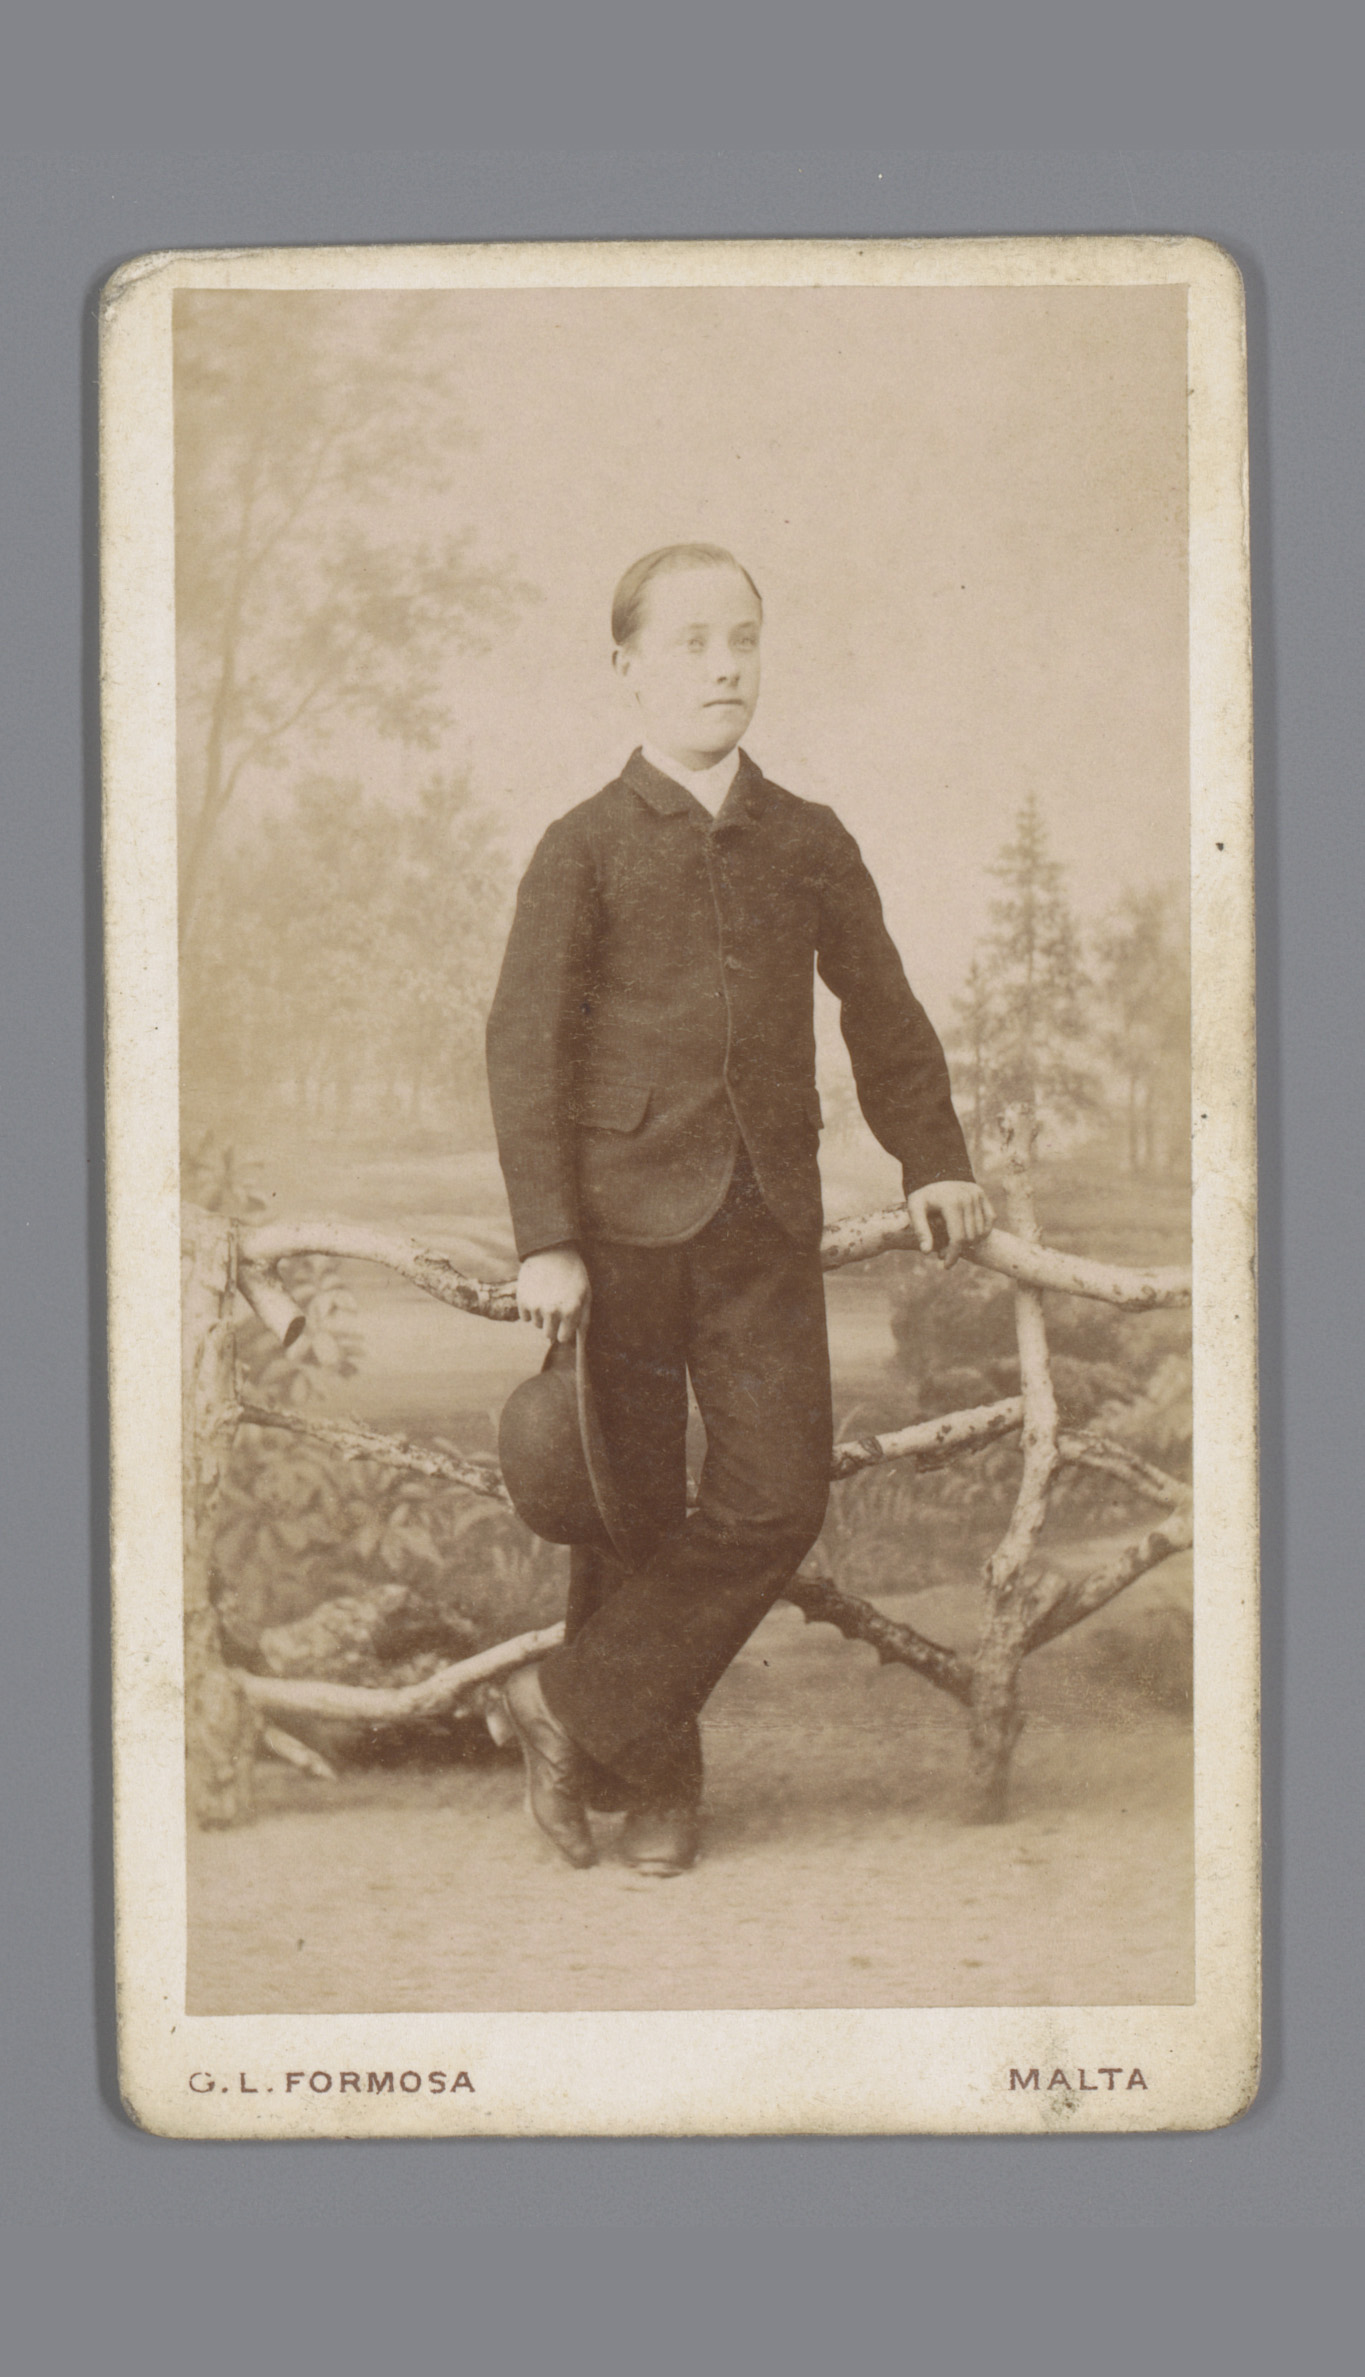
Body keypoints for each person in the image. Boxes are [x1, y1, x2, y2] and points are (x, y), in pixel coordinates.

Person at [485, 543, 992, 1876]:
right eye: (693, 643)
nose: (724, 667)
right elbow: (524, 1048)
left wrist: (933, 1158)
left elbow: (882, 1009)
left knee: (774, 1497)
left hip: (763, 1218)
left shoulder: (808, 837)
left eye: (744, 640)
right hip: (618, 1232)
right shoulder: (581, 846)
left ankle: (562, 1708)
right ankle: (654, 1789)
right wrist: (547, 1236)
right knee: (631, 1510)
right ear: (627, 668)